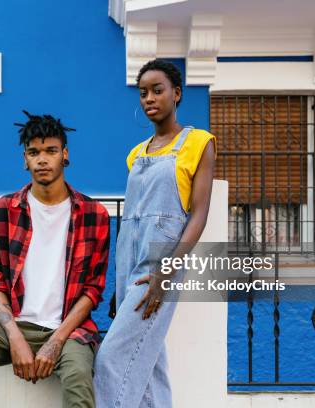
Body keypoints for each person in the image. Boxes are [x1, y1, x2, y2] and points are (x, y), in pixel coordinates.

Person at [0, 111, 110, 408]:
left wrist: (56, 341)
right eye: (34, 152)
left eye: (50, 151)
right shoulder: (4, 210)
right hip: (14, 323)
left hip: (69, 330)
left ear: (65, 155)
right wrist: (15, 337)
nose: (42, 159)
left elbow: (92, 290)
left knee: (80, 376)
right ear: (25, 159)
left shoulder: (93, 215)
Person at [93, 59, 217, 407]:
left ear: (176, 93)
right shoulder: (136, 154)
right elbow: (132, 218)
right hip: (129, 264)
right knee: (149, 365)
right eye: (143, 92)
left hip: (159, 267)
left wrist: (167, 271)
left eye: (157, 90)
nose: (149, 98)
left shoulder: (198, 143)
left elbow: (198, 215)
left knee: (110, 361)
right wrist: (119, 283)